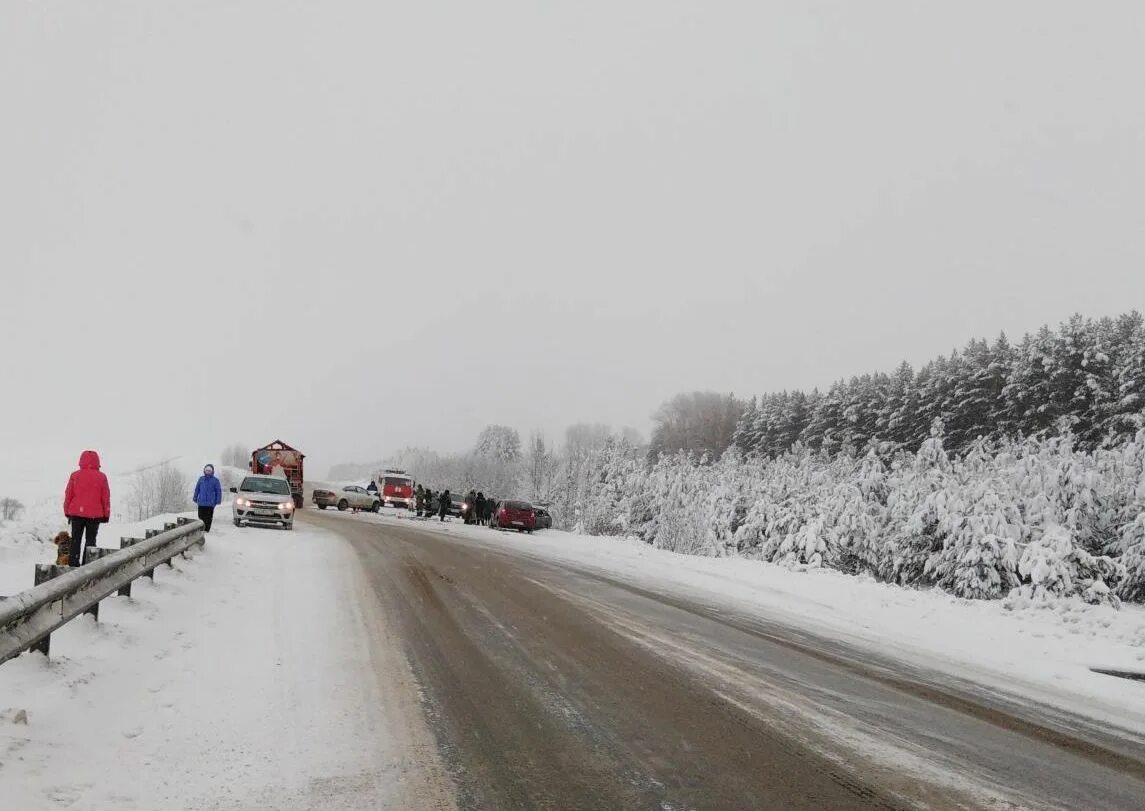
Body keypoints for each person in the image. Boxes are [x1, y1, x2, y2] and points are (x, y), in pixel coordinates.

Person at [63, 450, 111, 566]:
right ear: (97, 462)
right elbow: (105, 497)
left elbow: (68, 494)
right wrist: (106, 514)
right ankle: (87, 566)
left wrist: (67, 511)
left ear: (81, 461)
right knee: (90, 541)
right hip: (94, 516)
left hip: (76, 514)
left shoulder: (75, 475)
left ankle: (73, 565)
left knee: (75, 540)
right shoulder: (102, 477)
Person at [192, 464, 223, 532]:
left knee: (208, 518)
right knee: (200, 517)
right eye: (207, 470)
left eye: (209, 471)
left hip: (210, 503)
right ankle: (201, 529)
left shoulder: (215, 480)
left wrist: (218, 500)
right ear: (204, 471)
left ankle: (206, 530)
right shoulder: (201, 479)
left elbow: (218, 491)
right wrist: (195, 497)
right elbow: (197, 489)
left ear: (212, 471)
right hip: (201, 503)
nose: (208, 472)